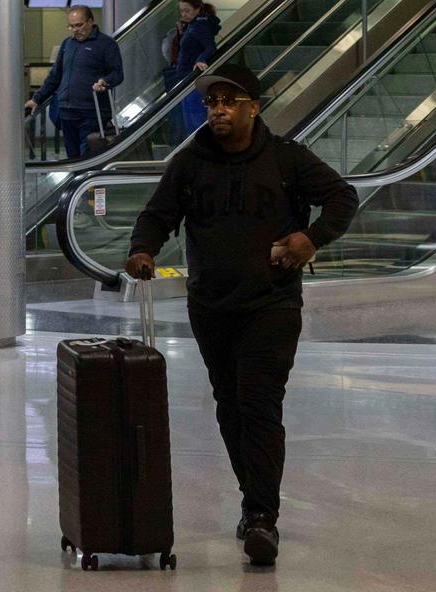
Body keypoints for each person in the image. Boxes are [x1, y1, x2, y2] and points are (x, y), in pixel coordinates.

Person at [124, 64, 358, 568]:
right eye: (212, 103)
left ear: (254, 107)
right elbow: (158, 215)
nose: (219, 110)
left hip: (271, 304)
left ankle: (261, 517)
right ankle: (253, 504)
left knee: (258, 404)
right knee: (229, 408)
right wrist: (143, 249)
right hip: (210, 305)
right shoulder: (190, 163)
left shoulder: (287, 159)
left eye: (230, 101)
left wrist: (310, 238)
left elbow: (343, 197)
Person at [24, 6, 123, 160]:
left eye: (79, 25)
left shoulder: (106, 44)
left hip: (92, 113)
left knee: (87, 157)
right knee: (72, 157)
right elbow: (55, 76)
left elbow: (117, 74)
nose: (75, 30)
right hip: (67, 111)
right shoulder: (67, 44)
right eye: (71, 26)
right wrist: (37, 98)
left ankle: (88, 184)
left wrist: (105, 81)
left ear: (91, 21)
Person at [163, 0, 221, 137]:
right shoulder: (193, 25)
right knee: (190, 118)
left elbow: (210, 46)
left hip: (191, 79)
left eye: (187, 11)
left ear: (197, 9)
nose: (184, 14)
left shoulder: (200, 25)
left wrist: (200, 59)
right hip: (185, 78)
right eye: (182, 11)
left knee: (194, 119)